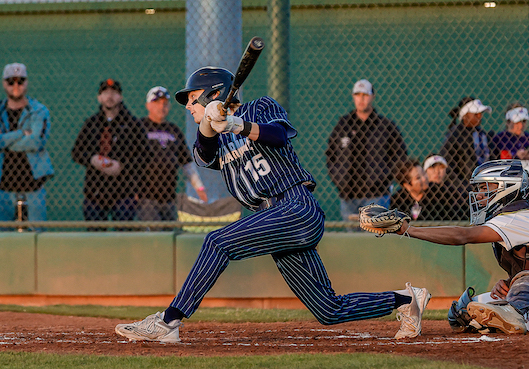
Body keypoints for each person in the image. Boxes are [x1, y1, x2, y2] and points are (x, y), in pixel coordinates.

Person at [115, 67, 429, 342]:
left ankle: (168, 321)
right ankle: (406, 299)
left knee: (217, 241)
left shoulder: (258, 107)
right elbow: (203, 155)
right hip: (272, 218)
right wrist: (211, 124)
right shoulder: (216, 133)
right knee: (328, 309)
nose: (188, 106)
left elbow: (279, 135)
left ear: (214, 93)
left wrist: (237, 124)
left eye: (193, 97)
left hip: (295, 206)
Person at [389, 160, 529, 334]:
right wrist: (511, 284)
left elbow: (462, 235)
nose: (478, 195)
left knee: (528, 284)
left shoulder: (524, 217)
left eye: (486, 188)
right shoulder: (509, 219)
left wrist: (409, 229)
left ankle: (513, 314)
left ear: (507, 188)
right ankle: (513, 312)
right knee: (462, 311)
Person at [326, 79, 408, 220]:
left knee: (373, 236)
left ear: (372, 97)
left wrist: (384, 179)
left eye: (365, 95)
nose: (361, 99)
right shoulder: (343, 125)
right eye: (357, 95)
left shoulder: (386, 126)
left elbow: (399, 155)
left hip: (377, 194)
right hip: (348, 196)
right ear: (353, 97)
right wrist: (339, 179)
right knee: (352, 239)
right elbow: (331, 155)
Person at [71, 79, 148, 228]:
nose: (109, 96)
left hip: (124, 191)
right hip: (95, 191)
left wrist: (122, 166)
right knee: (95, 236)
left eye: (114, 93)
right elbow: (77, 152)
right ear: (99, 98)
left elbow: (145, 155)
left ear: (120, 97)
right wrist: (92, 159)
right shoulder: (91, 123)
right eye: (105, 93)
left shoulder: (133, 124)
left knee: (122, 236)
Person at [138, 86, 207, 227]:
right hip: (145, 197)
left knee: (170, 234)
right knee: (154, 236)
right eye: (157, 103)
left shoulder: (174, 130)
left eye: (165, 103)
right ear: (148, 105)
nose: (161, 107)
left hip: (169, 197)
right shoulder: (139, 127)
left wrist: (199, 188)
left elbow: (186, 163)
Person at [0, 63, 54, 227]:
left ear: (26, 82)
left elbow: (36, 141)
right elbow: (28, 138)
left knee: (37, 237)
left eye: (20, 81)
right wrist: (21, 133)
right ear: (4, 83)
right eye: (11, 82)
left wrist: (4, 142)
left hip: (33, 186)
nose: (16, 86)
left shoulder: (39, 111)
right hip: (3, 188)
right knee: (3, 240)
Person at [440, 96, 493, 189]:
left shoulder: (482, 134)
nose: (480, 116)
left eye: (480, 113)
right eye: (476, 114)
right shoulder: (455, 136)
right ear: (465, 116)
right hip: (465, 188)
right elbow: (448, 165)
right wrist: (465, 187)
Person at [391, 158, 465, 221]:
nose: (424, 178)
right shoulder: (398, 201)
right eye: (418, 178)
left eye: (423, 173)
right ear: (407, 185)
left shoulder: (441, 193)